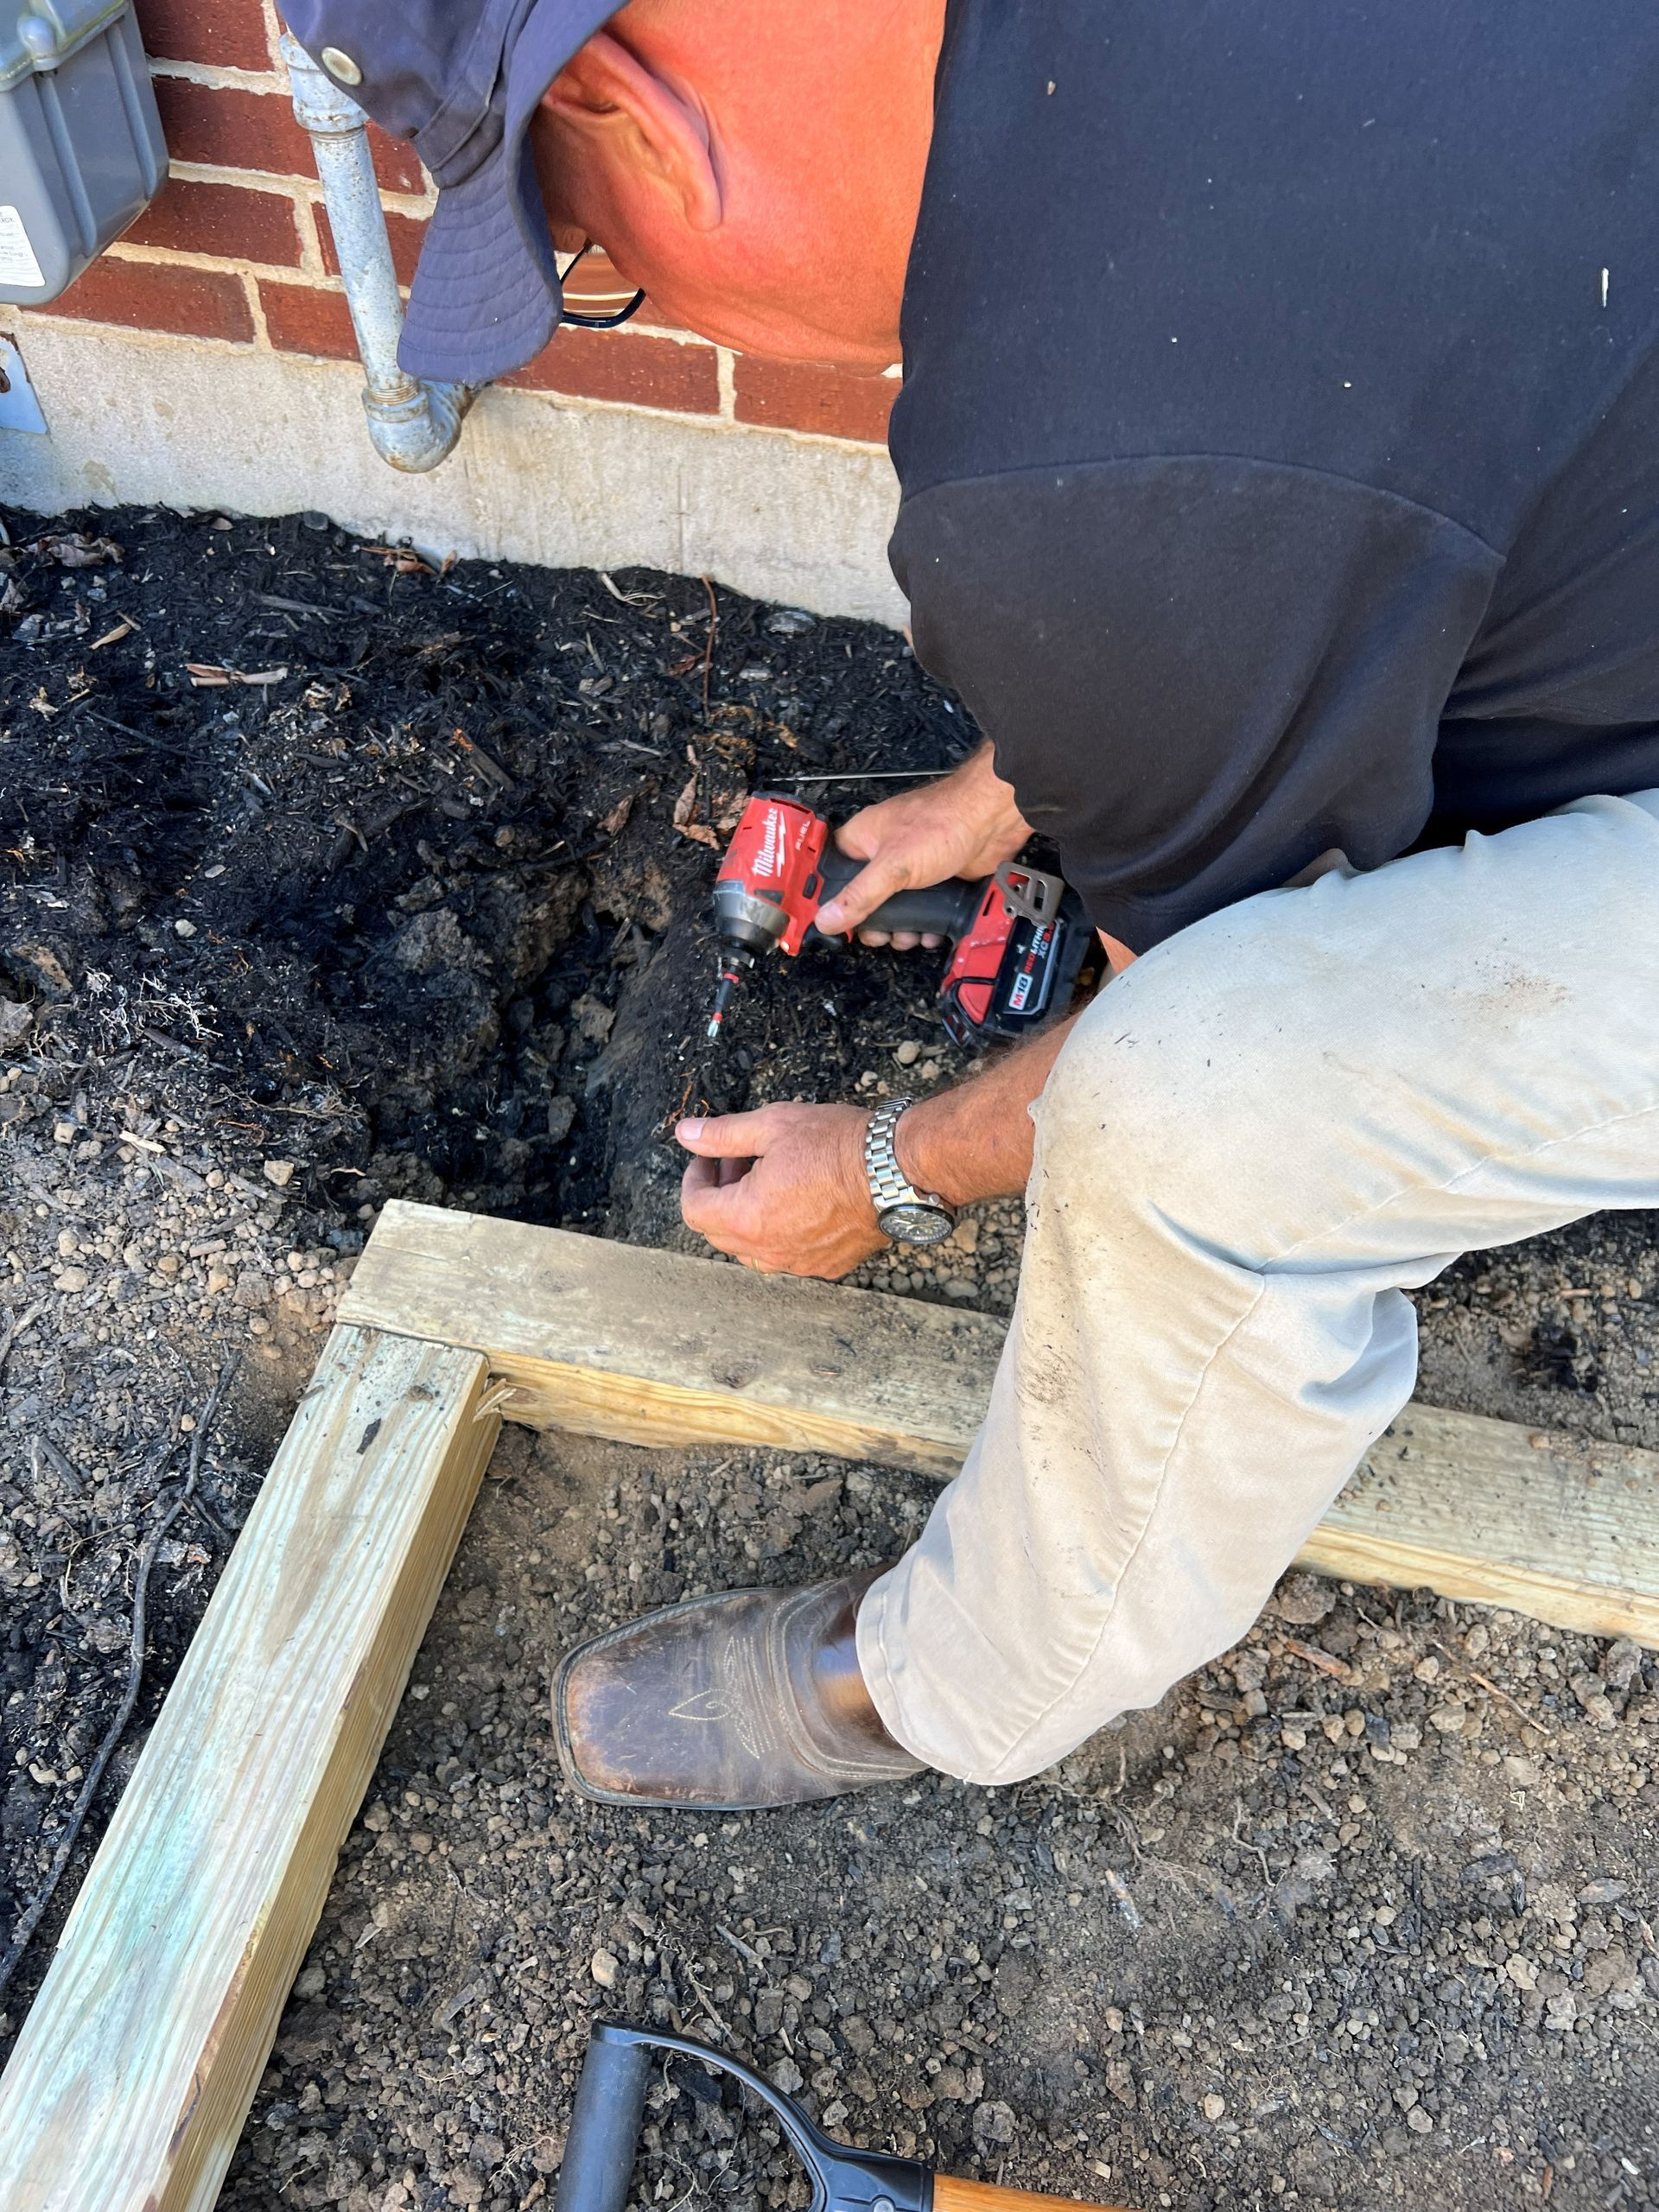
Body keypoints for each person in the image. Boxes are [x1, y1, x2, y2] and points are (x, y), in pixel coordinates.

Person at [289, 0, 1659, 1811]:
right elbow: (1341, 443)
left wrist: (889, 1170)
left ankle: (959, 1683)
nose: (635, 279)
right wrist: (1024, 771)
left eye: (591, 251)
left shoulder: (1087, 477)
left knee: (1202, 1109)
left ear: (628, 104)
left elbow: (1196, 973)